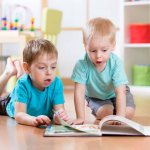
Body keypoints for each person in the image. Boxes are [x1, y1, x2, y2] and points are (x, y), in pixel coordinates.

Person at [71, 17, 135, 125]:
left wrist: (120, 117)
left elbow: (120, 91)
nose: (98, 56)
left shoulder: (116, 63)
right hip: (96, 97)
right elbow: (79, 92)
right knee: (106, 113)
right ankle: (108, 111)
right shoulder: (81, 65)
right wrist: (80, 117)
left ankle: (116, 112)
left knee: (127, 113)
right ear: (85, 47)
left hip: (117, 93)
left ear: (113, 45)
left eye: (104, 50)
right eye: (93, 51)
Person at [0, 39, 70, 127]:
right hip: (11, 103)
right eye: (42, 67)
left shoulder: (57, 83)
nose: (49, 72)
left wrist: (59, 117)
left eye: (53, 67)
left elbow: (60, 110)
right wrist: (34, 120)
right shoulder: (22, 84)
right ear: (27, 68)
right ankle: (8, 72)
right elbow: (19, 115)